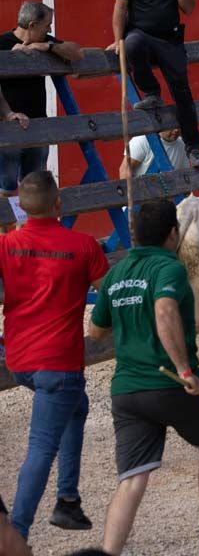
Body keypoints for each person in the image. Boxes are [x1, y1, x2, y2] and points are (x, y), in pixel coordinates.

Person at [89, 199, 199, 556]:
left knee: (132, 480)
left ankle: (107, 553)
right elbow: (164, 311)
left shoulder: (116, 275)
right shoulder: (170, 268)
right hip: (172, 385)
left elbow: (96, 330)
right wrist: (183, 371)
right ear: (173, 234)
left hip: (127, 390)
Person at [0, 172, 109, 543]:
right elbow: (107, 298)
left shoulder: (6, 244)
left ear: (23, 207)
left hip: (19, 360)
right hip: (59, 361)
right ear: (58, 204)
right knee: (41, 448)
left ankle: (68, 501)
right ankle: (17, 535)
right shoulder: (83, 245)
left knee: (77, 407)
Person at [112, 0, 199, 168]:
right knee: (132, 45)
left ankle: (194, 147)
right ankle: (151, 92)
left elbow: (189, 8)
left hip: (170, 39)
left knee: (182, 92)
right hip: (141, 33)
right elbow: (120, 8)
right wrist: (118, 38)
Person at [0, 2, 82, 195]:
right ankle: (10, 226)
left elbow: (77, 53)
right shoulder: (2, 44)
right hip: (8, 127)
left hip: (37, 127)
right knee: (6, 189)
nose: (50, 29)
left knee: (35, 189)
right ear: (32, 25)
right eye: (47, 25)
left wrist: (47, 46)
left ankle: (27, 225)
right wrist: (7, 114)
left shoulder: (44, 40)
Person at [119, 129, 188, 179]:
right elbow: (125, 169)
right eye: (172, 126)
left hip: (170, 196)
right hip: (141, 194)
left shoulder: (182, 144)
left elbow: (183, 174)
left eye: (178, 125)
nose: (176, 130)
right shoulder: (142, 139)